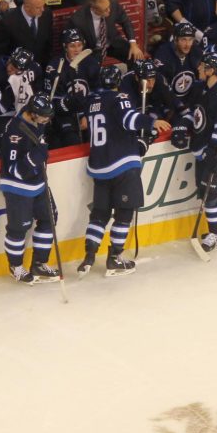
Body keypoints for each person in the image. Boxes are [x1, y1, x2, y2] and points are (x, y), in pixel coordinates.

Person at [76, 65, 167, 278]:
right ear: (118, 82)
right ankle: (114, 258)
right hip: (122, 165)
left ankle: (89, 257)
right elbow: (129, 120)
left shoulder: (92, 102)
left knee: (99, 214)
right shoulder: (120, 98)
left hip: (99, 167)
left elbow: (105, 126)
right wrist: (152, 122)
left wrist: (137, 142)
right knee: (124, 213)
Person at [172, 52, 217, 259]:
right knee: (208, 191)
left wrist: (214, 152)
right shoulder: (202, 89)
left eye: (203, 66)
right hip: (204, 151)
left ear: (211, 70)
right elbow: (195, 114)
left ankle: (216, 234)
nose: (199, 69)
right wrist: (181, 127)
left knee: (211, 194)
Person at [0, 94, 60, 285]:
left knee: (49, 219)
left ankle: (39, 264)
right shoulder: (14, 133)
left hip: (38, 183)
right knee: (19, 228)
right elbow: (15, 170)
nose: (46, 120)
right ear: (32, 113)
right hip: (18, 187)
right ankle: (15, 266)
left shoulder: (37, 121)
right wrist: (35, 157)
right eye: (43, 116)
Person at [43, 27, 100, 147]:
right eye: (72, 46)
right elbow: (52, 99)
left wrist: (86, 114)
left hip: (88, 110)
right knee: (71, 140)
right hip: (65, 114)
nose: (77, 50)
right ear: (65, 46)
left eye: (79, 45)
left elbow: (98, 92)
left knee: (96, 137)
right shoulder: (54, 67)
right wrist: (69, 104)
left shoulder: (92, 63)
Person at [0, 0, 53, 65]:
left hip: (41, 66)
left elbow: (48, 43)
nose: (42, 10)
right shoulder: (7, 23)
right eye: (38, 7)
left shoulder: (47, 14)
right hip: (17, 68)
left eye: (43, 5)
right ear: (27, 7)